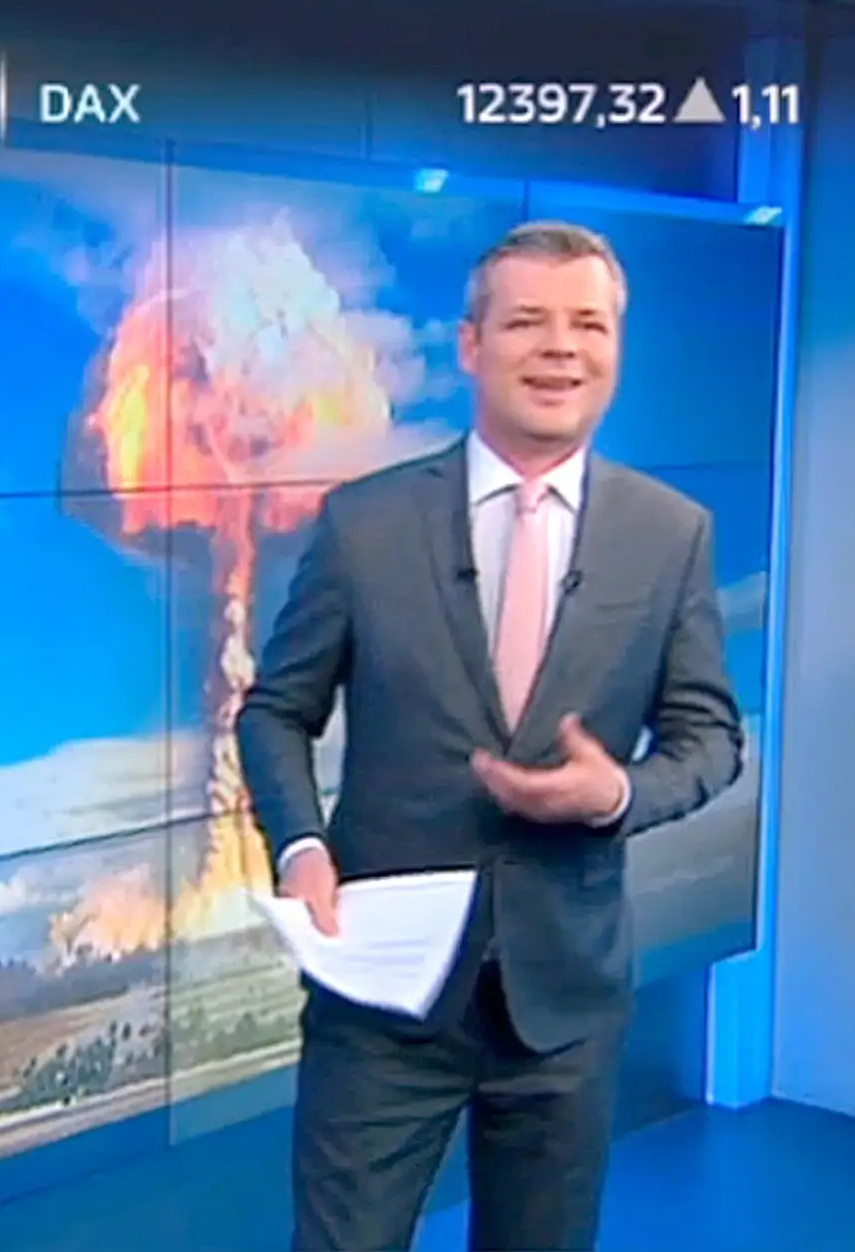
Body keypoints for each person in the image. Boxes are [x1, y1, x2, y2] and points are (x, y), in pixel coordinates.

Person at [235, 220, 743, 1252]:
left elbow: (708, 739)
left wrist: (616, 794)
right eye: (527, 322)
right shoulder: (365, 523)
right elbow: (275, 710)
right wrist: (300, 849)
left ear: (617, 348)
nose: (561, 347)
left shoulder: (669, 533)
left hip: (565, 1002)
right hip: (383, 993)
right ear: (470, 344)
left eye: (588, 324)